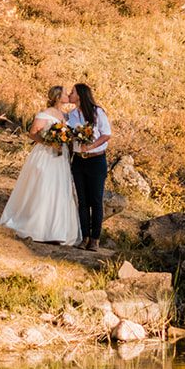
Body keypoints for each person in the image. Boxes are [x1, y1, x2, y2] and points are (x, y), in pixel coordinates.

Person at [0, 85, 82, 246]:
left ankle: (57, 230)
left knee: (59, 189)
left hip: (61, 157)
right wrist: (49, 142)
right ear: (58, 97)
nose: (68, 96)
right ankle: (36, 227)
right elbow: (33, 133)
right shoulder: (45, 114)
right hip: (46, 154)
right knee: (43, 186)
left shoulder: (66, 115)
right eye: (65, 93)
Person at [67, 82, 111, 251]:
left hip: (96, 160)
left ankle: (95, 239)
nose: (70, 95)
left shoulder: (97, 112)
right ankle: (84, 237)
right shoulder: (72, 115)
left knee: (96, 200)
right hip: (78, 161)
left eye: (72, 92)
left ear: (80, 95)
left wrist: (91, 147)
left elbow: (106, 134)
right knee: (82, 200)